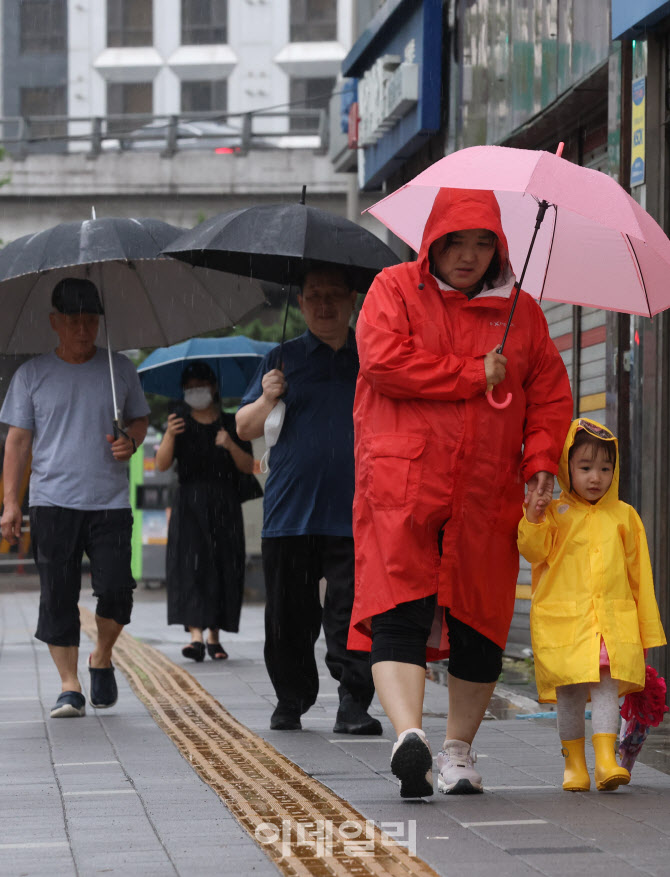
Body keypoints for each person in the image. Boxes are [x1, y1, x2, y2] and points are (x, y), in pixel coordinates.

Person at [348, 188, 573, 798]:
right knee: (399, 610)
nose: (469, 255)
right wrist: (474, 373)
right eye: (456, 242)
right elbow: (382, 360)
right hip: (404, 484)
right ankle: (408, 739)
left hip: (487, 489)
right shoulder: (394, 289)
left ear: (501, 248)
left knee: (481, 622)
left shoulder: (522, 312)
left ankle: (456, 753)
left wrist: (542, 460)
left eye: (484, 243)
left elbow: (550, 394)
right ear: (432, 242)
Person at [236, 262, 381, 735]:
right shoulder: (281, 359)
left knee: (354, 615)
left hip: (358, 511)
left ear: (353, 301)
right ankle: (291, 699)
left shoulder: (374, 357)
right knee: (288, 619)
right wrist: (267, 396)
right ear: (299, 303)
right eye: (314, 295)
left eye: (334, 294)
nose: (324, 304)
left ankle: (354, 703)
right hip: (290, 513)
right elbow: (244, 428)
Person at [0, 277, 149, 718]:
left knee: (117, 590)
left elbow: (138, 421)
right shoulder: (32, 375)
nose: (83, 329)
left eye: (90, 321)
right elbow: (17, 443)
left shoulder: (118, 368)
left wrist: (132, 442)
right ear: (55, 322)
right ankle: (69, 686)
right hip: (52, 501)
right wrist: (11, 503)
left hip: (109, 501)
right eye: (74, 321)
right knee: (58, 595)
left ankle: (101, 655)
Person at [518, 418, 666, 792]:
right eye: (585, 468)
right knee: (568, 693)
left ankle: (605, 759)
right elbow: (532, 551)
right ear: (567, 468)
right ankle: (575, 765)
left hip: (612, 624)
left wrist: (646, 631)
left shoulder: (625, 517)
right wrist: (532, 516)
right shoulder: (553, 514)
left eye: (605, 468)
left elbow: (640, 579)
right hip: (564, 624)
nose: (595, 477)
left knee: (604, 687)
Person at [155, 361, 255, 662]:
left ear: (213, 387)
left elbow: (249, 467)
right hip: (189, 505)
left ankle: (215, 636)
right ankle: (196, 636)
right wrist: (170, 435)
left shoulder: (231, 423)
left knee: (223, 564)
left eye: (200, 385)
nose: (195, 392)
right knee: (190, 567)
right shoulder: (178, 423)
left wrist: (229, 444)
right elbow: (161, 465)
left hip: (224, 504)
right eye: (189, 387)